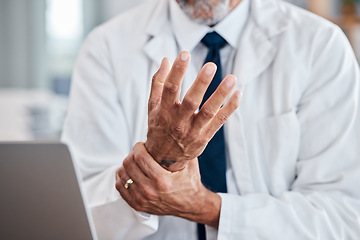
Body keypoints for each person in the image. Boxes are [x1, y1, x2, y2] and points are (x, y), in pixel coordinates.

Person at [62, 0, 360, 239]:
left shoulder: (320, 46)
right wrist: (158, 160)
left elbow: (343, 218)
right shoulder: (106, 48)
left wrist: (209, 209)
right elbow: (81, 212)